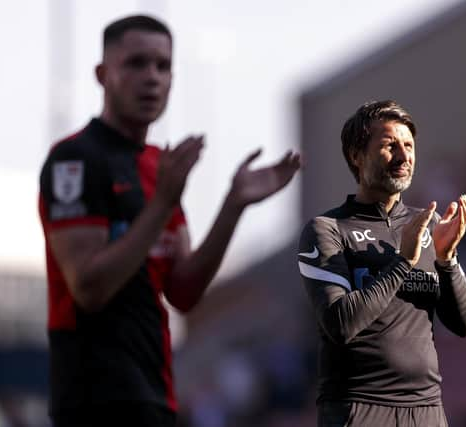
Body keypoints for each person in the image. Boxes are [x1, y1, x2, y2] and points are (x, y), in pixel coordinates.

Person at [38, 15, 300, 427]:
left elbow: (183, 290)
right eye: (136, 63)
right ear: (103, 75)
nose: (152, 78)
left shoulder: (159, 166)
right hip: (91, 404)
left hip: (154, 397)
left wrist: (234, 205)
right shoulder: (75, 160)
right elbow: (89, 288)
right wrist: (162, 202)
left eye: (162, 66)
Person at [297, 100, 466, 427]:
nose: (403, 155)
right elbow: (340, 323)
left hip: (426, 410)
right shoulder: (327, 230)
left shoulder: (428, 226)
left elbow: (464, 324)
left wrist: (446, 259)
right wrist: (402, 262)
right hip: (360, 407)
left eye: (408, 145)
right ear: (357, 155)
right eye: (388, 145)